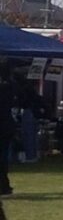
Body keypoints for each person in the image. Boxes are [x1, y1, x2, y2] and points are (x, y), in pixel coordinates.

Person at [0, 63, 17, 195]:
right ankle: (4, 185)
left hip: (4, 125)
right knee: (3, 157)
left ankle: (4, 185)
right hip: (7, 125)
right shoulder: (10, 87)